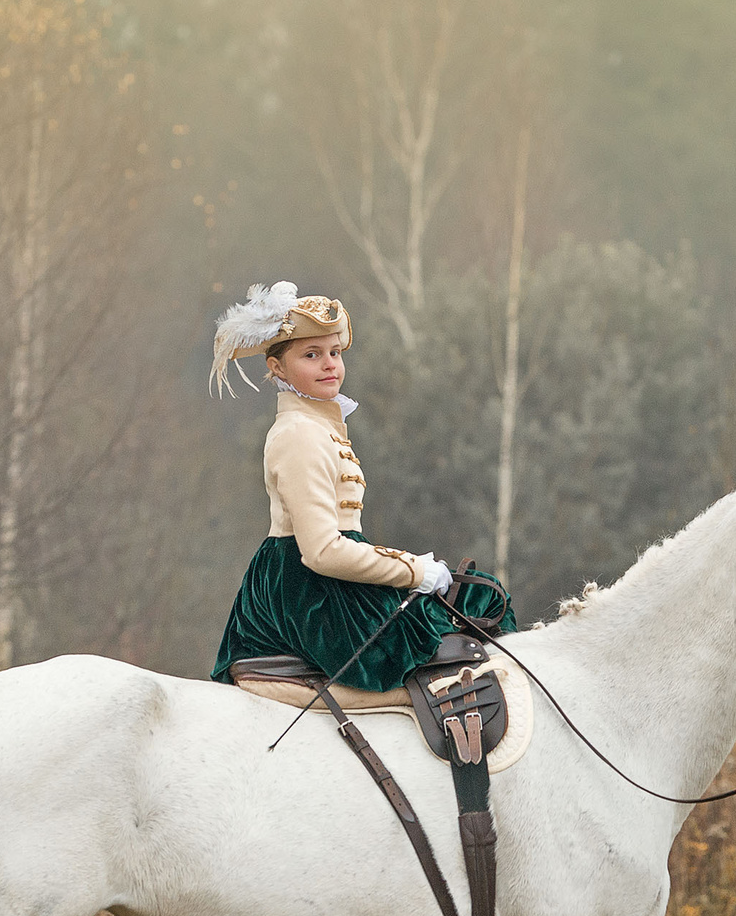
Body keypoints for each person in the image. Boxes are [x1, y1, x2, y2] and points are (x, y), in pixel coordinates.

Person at [207, 282, 514, 690]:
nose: (329, 365)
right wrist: (415, 571)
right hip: (311, 594)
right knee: (475, 606)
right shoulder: (299, 434)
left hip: (327, 580)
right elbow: (322, 551)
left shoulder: (317, 427)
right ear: (278, 368)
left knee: (480, 596)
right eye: (311, 355)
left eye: (335, 353)